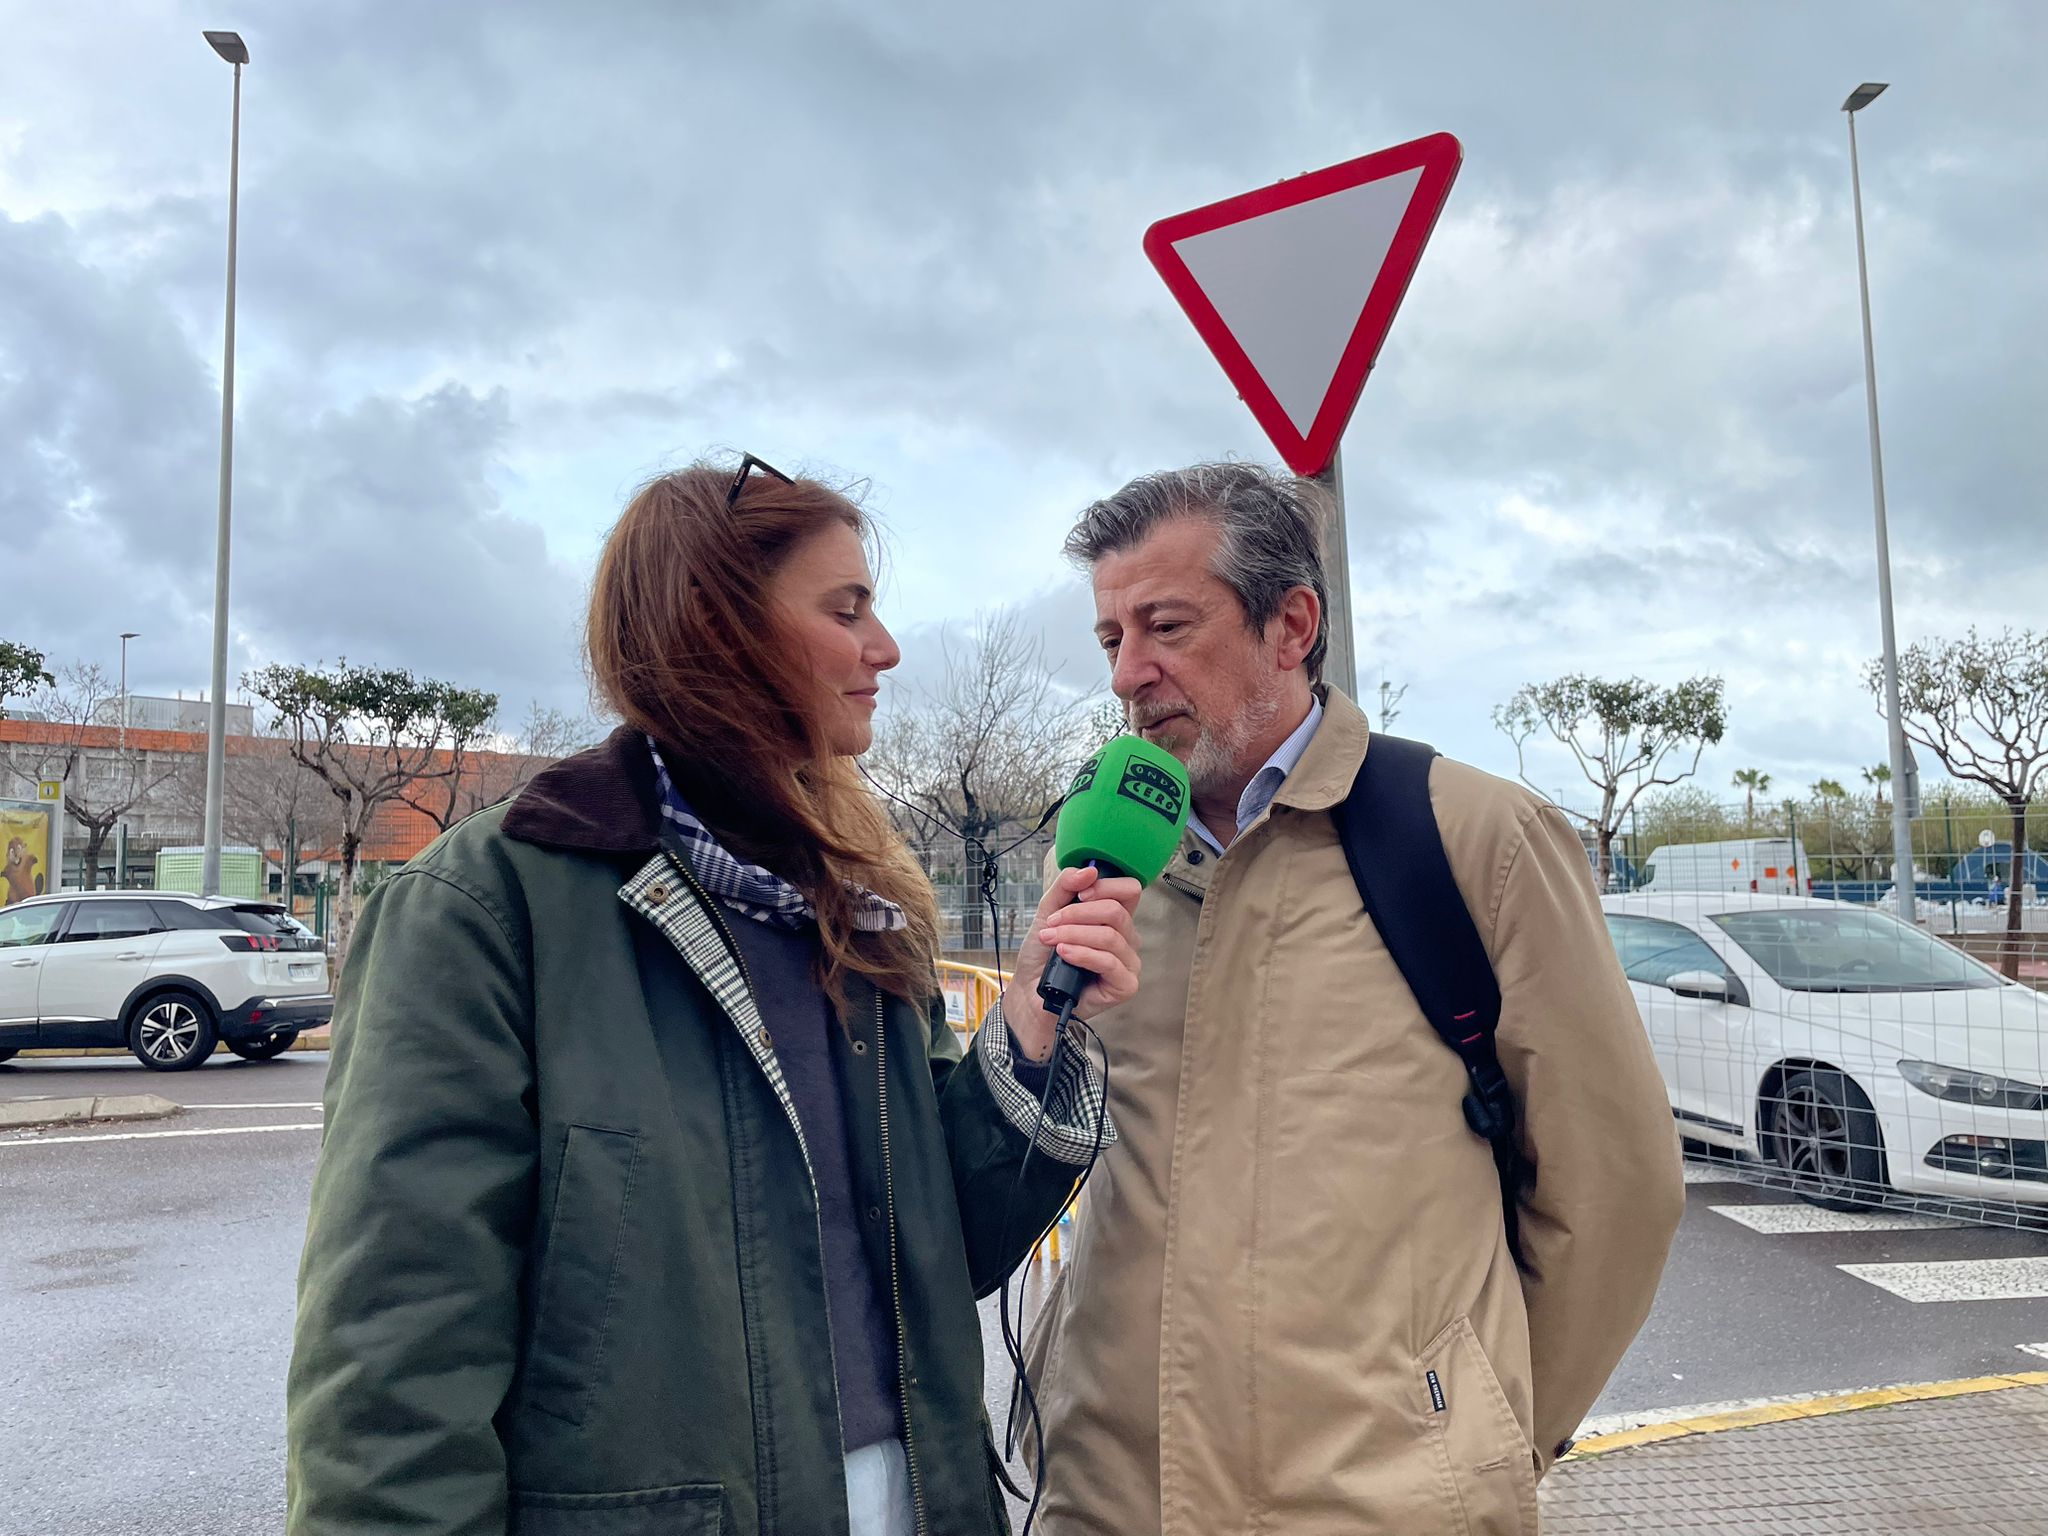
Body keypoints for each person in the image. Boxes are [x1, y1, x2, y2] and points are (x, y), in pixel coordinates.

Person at [286, 456, 1141, 1536]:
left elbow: (941, 1246)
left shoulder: (861, 905)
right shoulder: (486, 909)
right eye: (846, 610)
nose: (883, 650)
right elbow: (394, 1358)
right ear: (718, 626)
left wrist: (1028, 1023)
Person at [1016, 462, 1684, 1535]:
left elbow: (1616, 1189)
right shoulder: (1101, 870)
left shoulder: (1476, 840)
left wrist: (1484, 1445)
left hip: (1381, 1507)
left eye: (1165, 627)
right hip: (1104, 1499)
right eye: (1109, 639)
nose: (1127, 675)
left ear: (1290, 624)